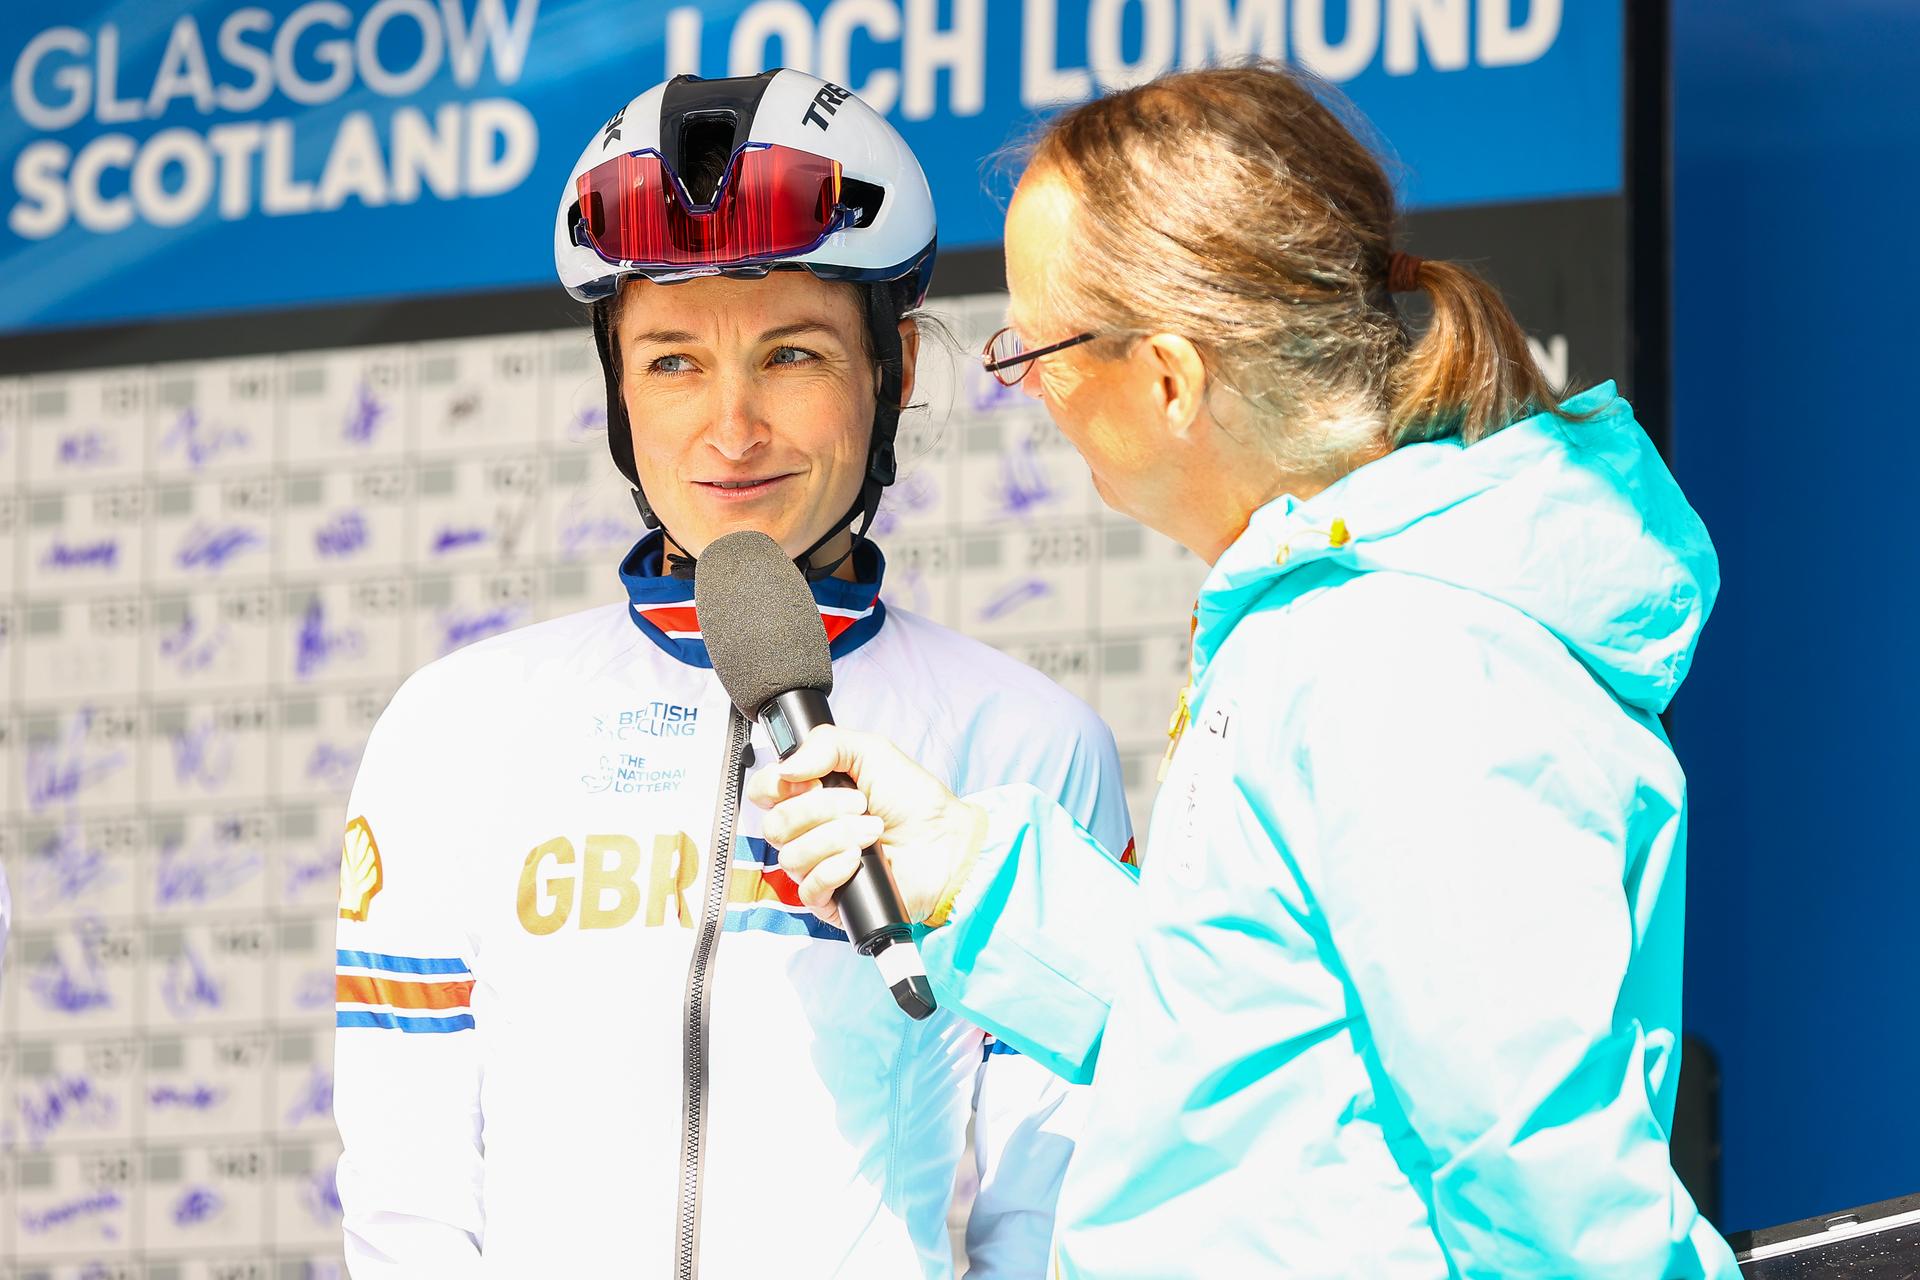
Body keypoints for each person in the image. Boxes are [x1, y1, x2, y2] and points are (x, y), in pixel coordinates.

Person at [754, 63, 1742, 1278]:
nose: (1028, 387)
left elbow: (1540, 1164)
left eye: (1036, 347)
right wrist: (966, 866)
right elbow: (1237, 1042)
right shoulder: (1319, 626)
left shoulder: (1410, 656)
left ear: (1169, 378)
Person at [331, 69, 1130, 1278]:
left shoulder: (1030, 737)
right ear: (615, 384)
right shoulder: (454, 728)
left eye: (792, 354)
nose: (732, 428)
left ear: (896, 369)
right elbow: (408, 1208)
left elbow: (1052, 1212)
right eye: (671, 362)